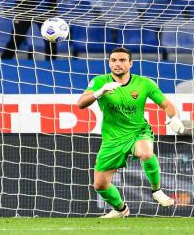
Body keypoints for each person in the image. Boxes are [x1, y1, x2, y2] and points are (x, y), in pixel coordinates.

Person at [77, 47, 185, 218]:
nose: (117, 64)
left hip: (138, 132)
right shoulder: (99, 81)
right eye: (113, 60)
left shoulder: (144, 83)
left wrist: (174, 118)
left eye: (122, 60)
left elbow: (167, 105)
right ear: (109, 63)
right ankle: (121, 209)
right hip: (112, 138)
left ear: (130, 63)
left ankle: (157, 191)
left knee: (146, 152)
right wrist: (100, 92)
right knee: (100, 185)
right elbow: (81, 103)